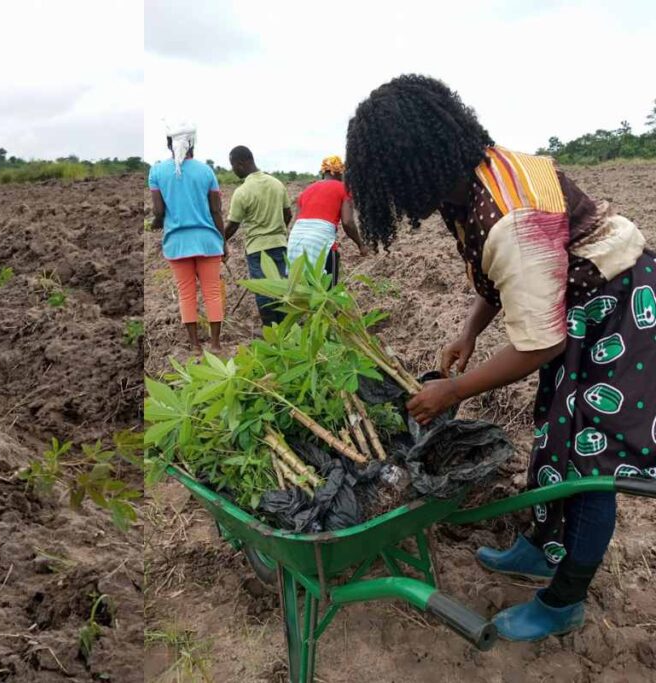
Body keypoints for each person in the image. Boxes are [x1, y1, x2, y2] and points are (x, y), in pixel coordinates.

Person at [345, 74, 649, 642]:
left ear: (415, 163)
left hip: (617, 309)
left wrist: (452, 391)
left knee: (590, 461)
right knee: (557, 431)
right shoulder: (468, 180)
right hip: (578, 304)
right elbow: (499, 277)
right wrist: (468, 332)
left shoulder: (510, 214)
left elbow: (540, 344)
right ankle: (541, 549)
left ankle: (564, 603)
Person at [149, 121, 225, 356]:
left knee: (186, 294)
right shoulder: (206, 171)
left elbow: (159, 212)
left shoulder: (157, 172)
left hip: (177, 243)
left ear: (169, 144)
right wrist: (223, 241)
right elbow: (216, 211)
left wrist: (155, 223)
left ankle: (194, 346)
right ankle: (215, 344)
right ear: (192, 142)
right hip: (208, 241)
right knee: (212, 292)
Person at [225, 146, 291, 326]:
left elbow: (232, 225)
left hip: (257, 249)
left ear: (241, 163)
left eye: (233, 165)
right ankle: (286, 329)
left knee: (263, 291)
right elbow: (288, 215)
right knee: (281, 288)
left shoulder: (242, 191)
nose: (233, 170)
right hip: (279, 244)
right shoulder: (277, 184)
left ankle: (271, 331)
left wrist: (219, 241)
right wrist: (278, 230)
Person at [289, 155, 368, 286]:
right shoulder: (343, 189)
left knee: (300, 288)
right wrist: (361, 245)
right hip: (320, 243)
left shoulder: (306, 191)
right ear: (340, 173)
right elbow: (348, 222)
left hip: (295, 242)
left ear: (323, 172)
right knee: (326, 292)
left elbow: (297, 222)